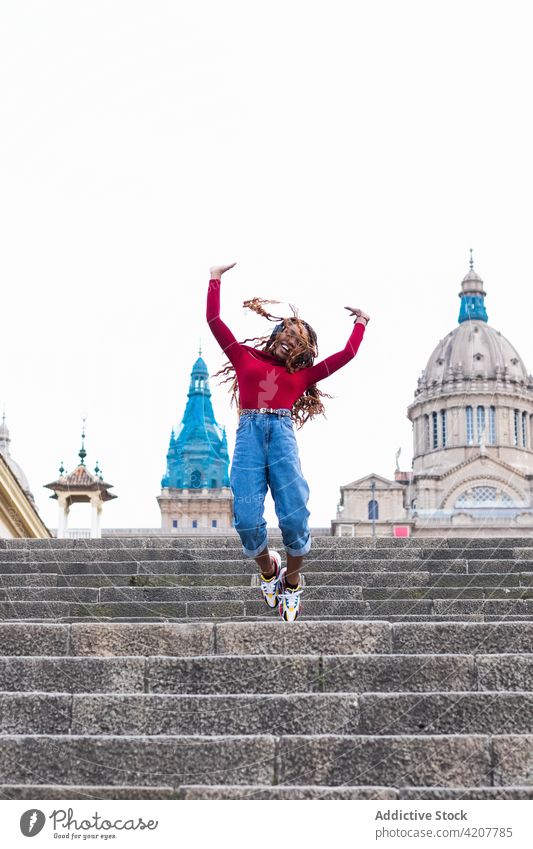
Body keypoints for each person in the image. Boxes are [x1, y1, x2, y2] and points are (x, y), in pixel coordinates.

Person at [206, 262, 369, 621]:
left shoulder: (305, 376)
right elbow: (215, 323)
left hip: (281, 437)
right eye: (287, 333)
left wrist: (361, 323)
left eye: (298, 340)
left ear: (304, 351)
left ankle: (292, 582)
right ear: (277, 333)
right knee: (246, 519)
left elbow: (347, 355)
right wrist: (215, 279)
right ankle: (269, 570)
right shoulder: (244, 357)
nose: (290, 340)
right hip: (249, 437)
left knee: (295, 516)